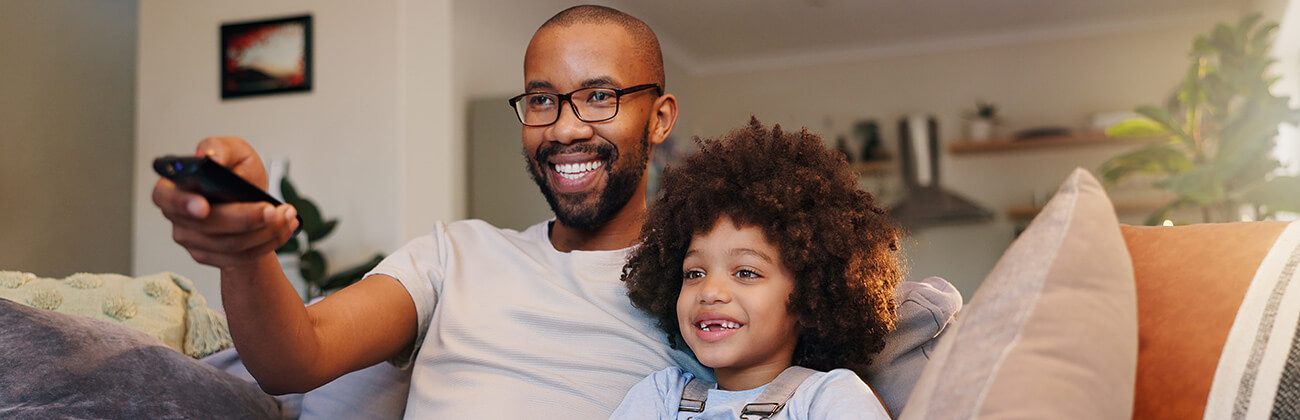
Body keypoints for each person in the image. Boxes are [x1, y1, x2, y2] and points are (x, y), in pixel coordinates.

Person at [153, 5, 706, 418]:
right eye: (541, 100)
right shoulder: (456, 254)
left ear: (659, 119)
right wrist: (246, 253)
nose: (564, 128)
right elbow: (295, 360)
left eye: (599, 97)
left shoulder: (702, 284)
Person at [610, 119, 899, 419]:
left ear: (809, 299)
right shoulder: (662, 395)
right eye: (694, 273)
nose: (709, 292)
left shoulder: (830, 396)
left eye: (746, 273)